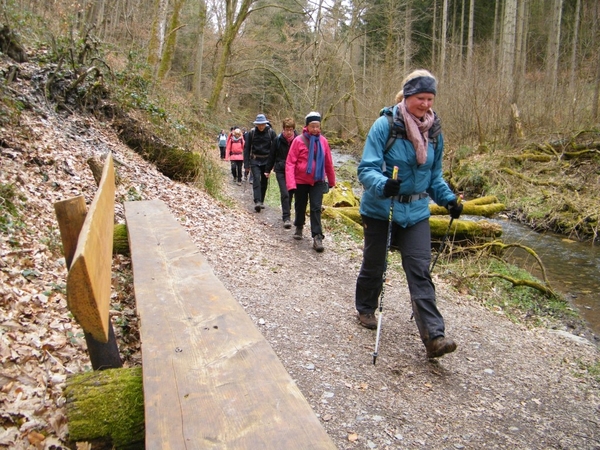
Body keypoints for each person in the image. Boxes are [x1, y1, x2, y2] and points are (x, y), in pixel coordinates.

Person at [354, 69, 463, 359]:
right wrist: (383, 184)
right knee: (375, 264)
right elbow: (366, 169)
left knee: (419, 271)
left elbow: (434, 177)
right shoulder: (385, 125)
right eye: (420, 98)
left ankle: (434, 337)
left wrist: (449, 199)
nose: (426, 104)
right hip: (381, 209)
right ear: (407, 96)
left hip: (416, 212)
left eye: (430, 98)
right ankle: (365, 308)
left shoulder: (434, 132)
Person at [286, 111, 336, 252]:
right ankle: (299, 226)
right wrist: (291, 183)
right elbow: (290, 163)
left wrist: (332, 181)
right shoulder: (298, 141)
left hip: (318, 180)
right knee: (300, 205)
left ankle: (317, 236)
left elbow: (328, 163)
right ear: (306, 126)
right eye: (312, 126)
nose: (315, 129)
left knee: (315, 207)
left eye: (317, 126)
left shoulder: (323, 142)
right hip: (301, 180)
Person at [265, 118, 298, 229]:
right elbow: (272, 155)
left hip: (294, 170)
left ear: (294, 129)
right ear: (283, 129)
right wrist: (267, 170)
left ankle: (287, 211)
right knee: (284, 193)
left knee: (291, 193)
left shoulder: (298, 140)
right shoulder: (277, 140)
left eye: (291, 129)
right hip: (280, 169)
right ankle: (286, 217)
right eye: (287, 129)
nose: (289, 132)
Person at [244, 114, 277, 212]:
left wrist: (274, 163)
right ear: (256, 124)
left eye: (263, 124)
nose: (261, 126)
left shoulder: (271, 133)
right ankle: (257, 201)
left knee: (264, 181)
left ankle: (261, 200)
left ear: (265, 123)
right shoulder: (252, 133)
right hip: (255, 159)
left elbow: (275, 149)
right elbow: (247, 149)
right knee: (256, 180)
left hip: (267, 160)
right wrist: (246, 164)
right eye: (259, 124)